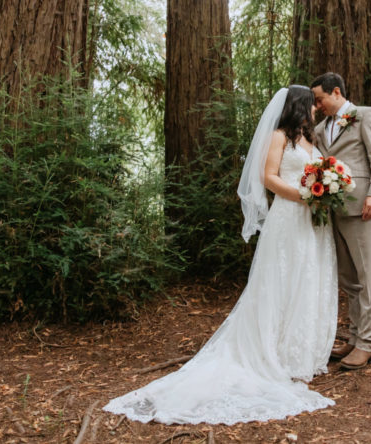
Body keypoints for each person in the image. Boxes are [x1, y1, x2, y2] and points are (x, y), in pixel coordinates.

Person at [104, 86, 338, 424]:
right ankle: (274, 356)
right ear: (299, 106)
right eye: (311, 105)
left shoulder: (308, 141)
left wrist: (325, 191)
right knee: (282, 282)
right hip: (288, 217)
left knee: (307, 280)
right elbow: (268, 178)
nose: (315, 110)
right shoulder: (278, 137)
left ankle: (298, 355)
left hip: (312, 223)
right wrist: (303, 195)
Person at [311, 72, 371, 371]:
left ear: (336, 92)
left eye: (320, 99)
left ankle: (369, 344)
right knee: (349, 279)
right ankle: (355, 337)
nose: (318, 106)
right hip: (333, 210)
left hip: (362, 207)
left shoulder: (365, 116)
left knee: (369, 278)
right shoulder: (320, 129)